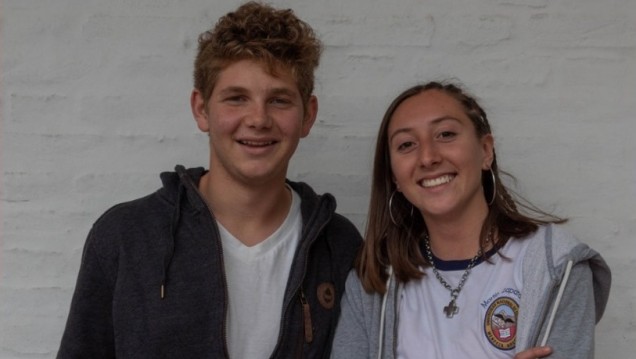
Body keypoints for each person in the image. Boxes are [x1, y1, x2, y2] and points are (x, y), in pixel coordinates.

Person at [57, 2, 362, 358]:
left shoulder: (339, 246)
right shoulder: (127, 236)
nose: (258, 119)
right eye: (237, 98)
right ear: (201, 109)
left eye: (279, 100)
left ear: (308, 116)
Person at [331, 81, 611, 359]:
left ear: (486, 151)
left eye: (445, 134)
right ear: (395, 177)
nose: (428, 157)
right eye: (406, 144)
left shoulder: (557, 264)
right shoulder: (374, 279)